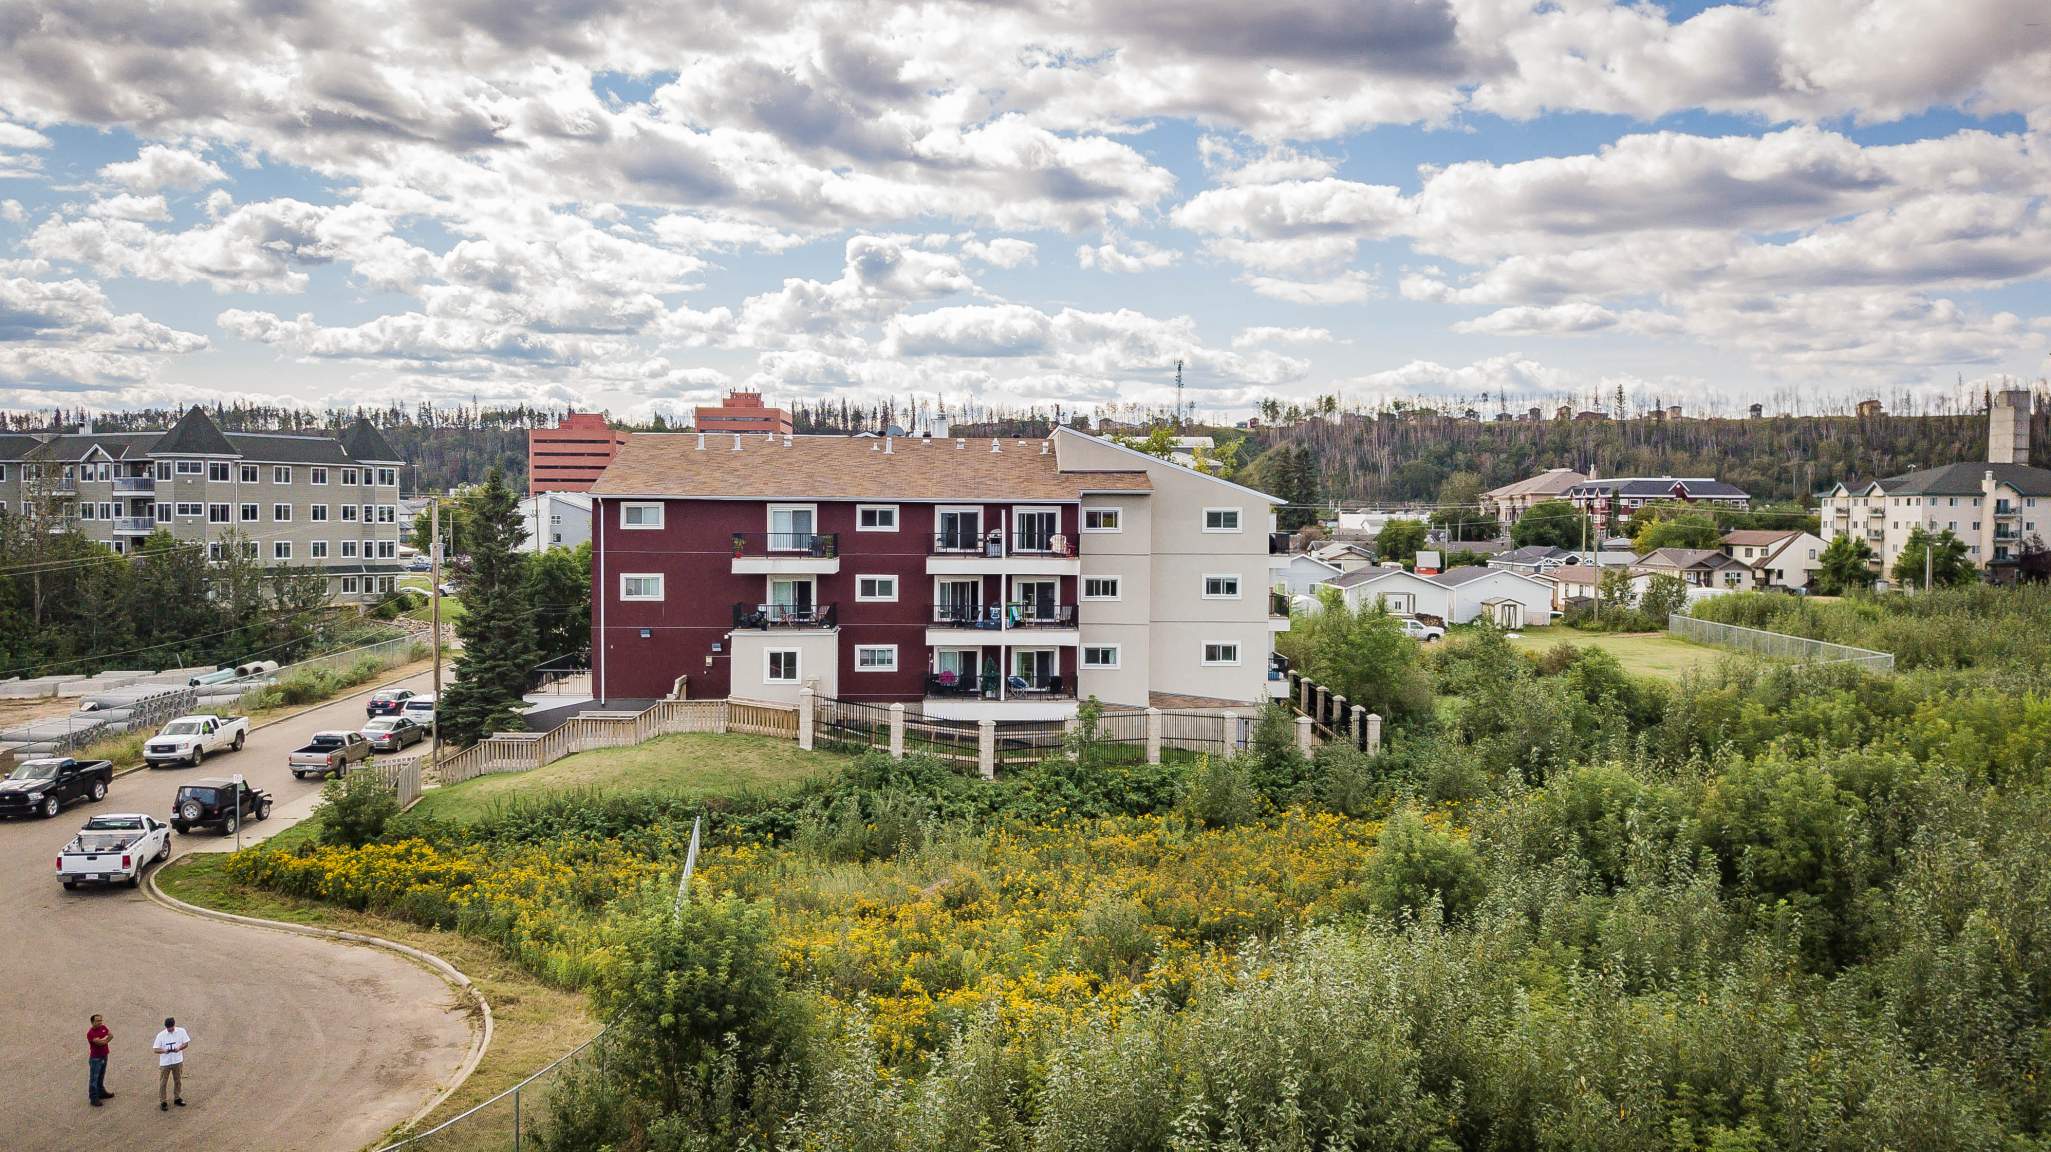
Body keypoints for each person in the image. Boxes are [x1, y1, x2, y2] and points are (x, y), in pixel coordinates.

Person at [153, 1016, 189, 1110]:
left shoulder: (181, 1031)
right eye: (168, 1028)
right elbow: (155, 1049)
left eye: (171, 1028)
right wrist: (164, 1050)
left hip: (177, 1060)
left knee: (178, 1080)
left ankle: (177, 1097)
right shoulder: (161, 1035)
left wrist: (179, 1048)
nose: (169, 1029)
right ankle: (163, 1101)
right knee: (163, 1082)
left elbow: (186, 1043)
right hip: (165, 1063)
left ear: (174, 1025)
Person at [87, 1014, 113, 1106]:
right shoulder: (91, 1033)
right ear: (92, 1022)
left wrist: (103, 1041)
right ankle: (93, 1098)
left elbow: (111, 1035)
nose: (100, 1022)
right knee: (94, 1078)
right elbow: (99, 1043)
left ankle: (101, 1092)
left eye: (101, 1020)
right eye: (97, 1021)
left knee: (101, 1075)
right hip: (96, 1058)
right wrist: (105, 1040)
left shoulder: (103, 1027)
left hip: (104, 1055)